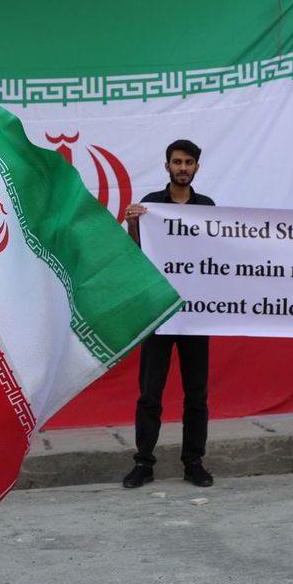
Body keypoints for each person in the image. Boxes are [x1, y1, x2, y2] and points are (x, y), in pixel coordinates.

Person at [120, 139, 216, 489]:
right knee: (150, 394)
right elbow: (138, 255)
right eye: (177, 162)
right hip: (160, 313)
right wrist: (133, 225)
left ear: (196, 168)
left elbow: (215, 257)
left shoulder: (207, 207)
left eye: (189, 162)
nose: (183, 168)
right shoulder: (150, 207)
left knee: (196, 394)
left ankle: (194, 462)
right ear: (167, 167)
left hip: (194, 315)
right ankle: (143, 463)